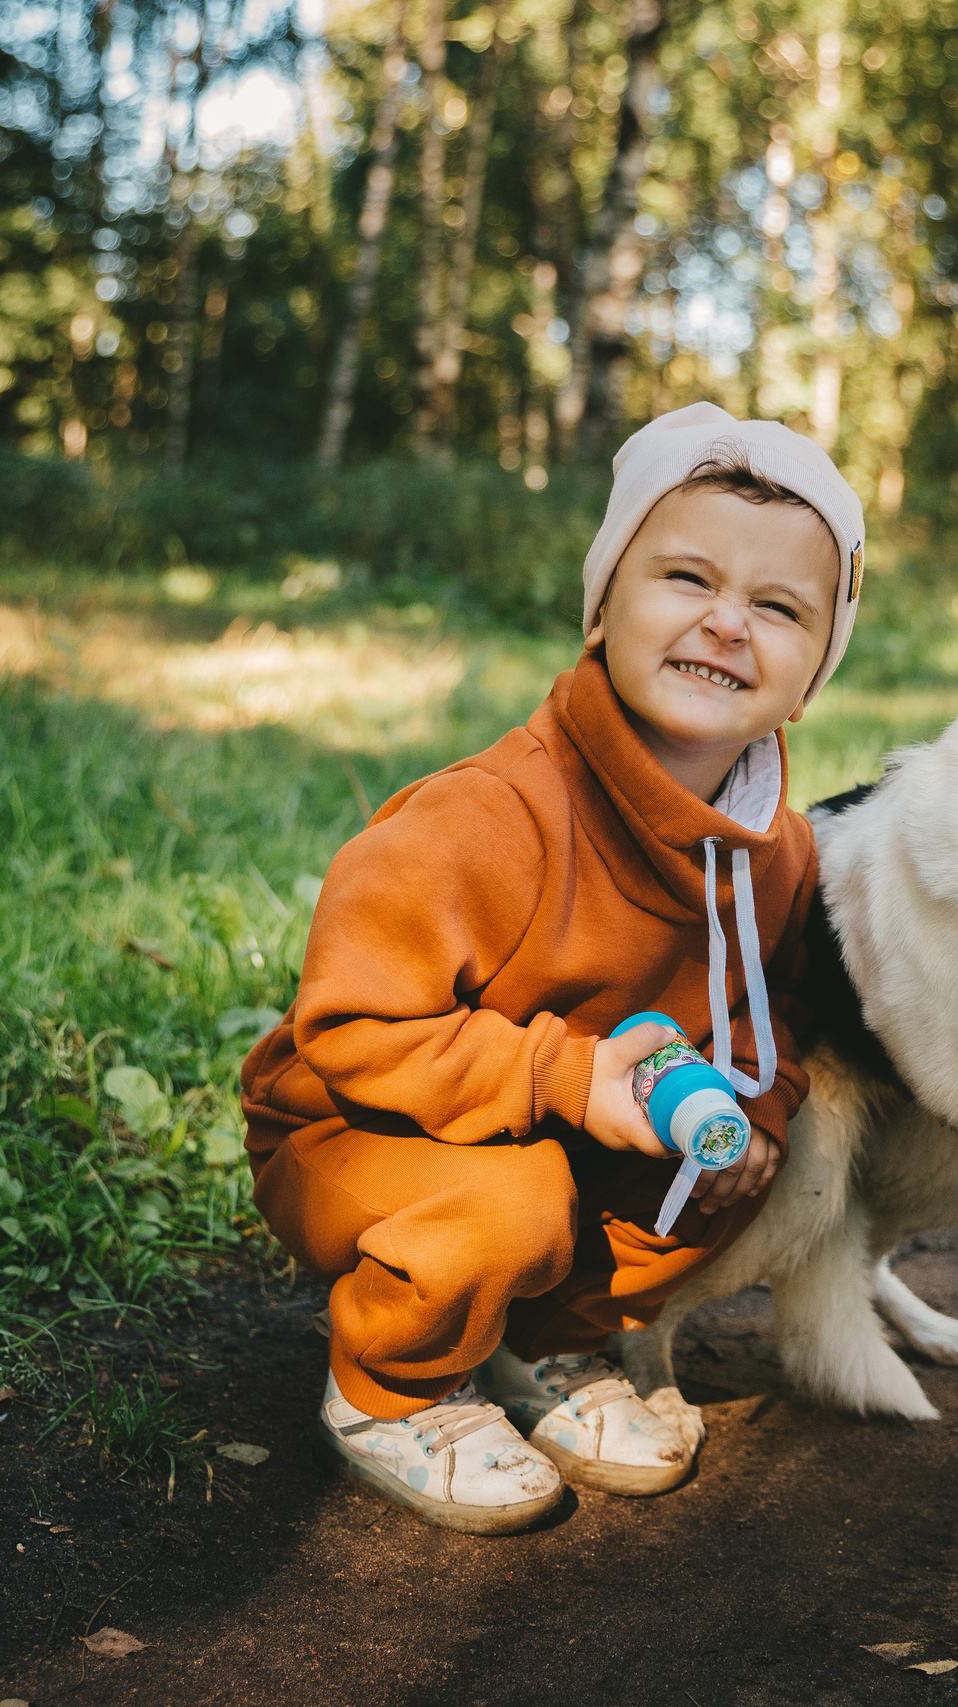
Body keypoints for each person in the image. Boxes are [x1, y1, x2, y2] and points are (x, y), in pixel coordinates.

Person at [238, 402, 862, 1534]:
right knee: (513, 1201)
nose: (728, 623)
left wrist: (759, 1107)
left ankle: (545, 1341)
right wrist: (566, 1079)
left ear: (816, 666)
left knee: (743, 1151)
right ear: (603, 605)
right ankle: (394, 1384)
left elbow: (773, 1006)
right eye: (686, 578)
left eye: (779, 607)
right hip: (362, 1127)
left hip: (577, 1129)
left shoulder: (774, 851)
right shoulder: (487, 818)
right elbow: (350, 1032)